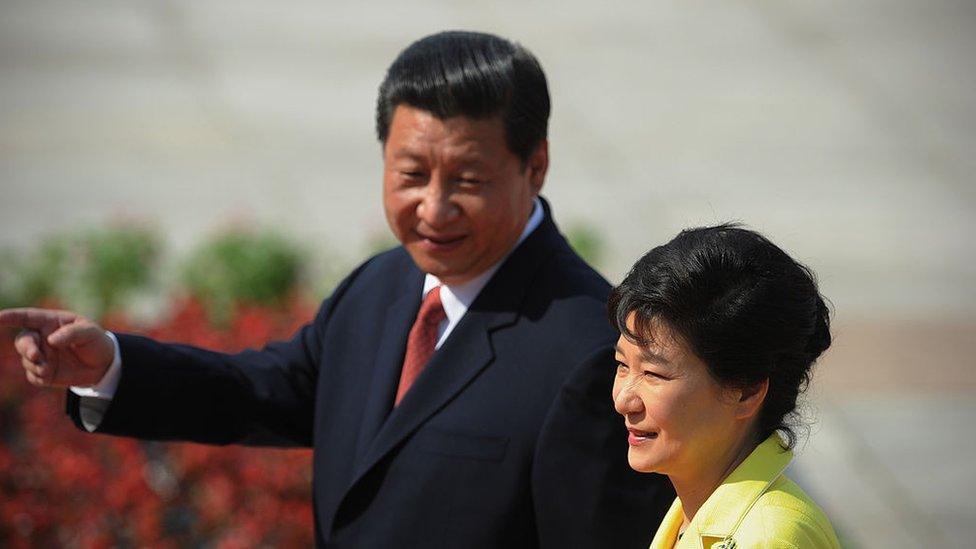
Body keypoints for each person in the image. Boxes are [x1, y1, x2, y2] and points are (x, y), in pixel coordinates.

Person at [0, 31, 674, 547]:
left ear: (536, 166)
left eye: (467, 181)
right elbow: (268, 390)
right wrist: (112, 364)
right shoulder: (382, 285)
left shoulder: (589, 352)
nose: (433, 209)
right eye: (411, 174)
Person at [608, 224, 841, 549]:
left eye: (653, 374)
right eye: (622, 365)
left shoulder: (769, 538)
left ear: (745, 390)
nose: (624, 400)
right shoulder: (689, 512)